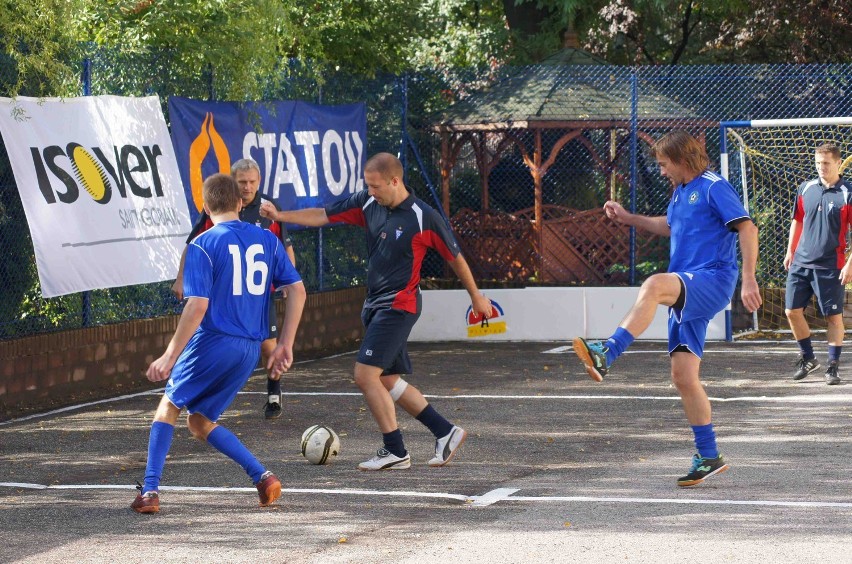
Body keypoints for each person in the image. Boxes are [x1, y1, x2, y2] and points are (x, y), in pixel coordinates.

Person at [259, 152, 492, 471]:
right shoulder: (368, 203)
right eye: (367, 185)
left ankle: (394, 449)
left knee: (365, 375)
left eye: (375, 186)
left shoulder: (423, 217)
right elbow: (323, 215)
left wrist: (476, 297)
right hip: (375, 303)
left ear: (395, 181)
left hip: (399, 305)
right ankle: (445, 431)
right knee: (387, 379)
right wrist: (280, 215)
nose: (370, 191)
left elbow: (455, 258)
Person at [572, 130, 762, 487]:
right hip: (689, 286)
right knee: (684, 377)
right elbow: (667, 225)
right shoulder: (680, 194)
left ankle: (608, 352)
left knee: (654, 285)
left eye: (663, 164)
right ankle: (708, 455)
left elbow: (747, 228)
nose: (660, 171)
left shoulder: (712, 186)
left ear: (681, 159)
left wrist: (749, 279)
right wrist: (629, 218)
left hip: (713, 278)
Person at [132, 173, 306, 513]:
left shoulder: (203, 243)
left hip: (213, 340)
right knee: (199, 422)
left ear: (206, 207)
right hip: (248, 350)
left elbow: (198, 306)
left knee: (169, 404)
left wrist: (170, 355)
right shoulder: (268, 240)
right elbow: (297, 290)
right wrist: (286, 342)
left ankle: (149, 492)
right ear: (241, 203)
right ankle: (263, 476)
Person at [173, 158, 297, 419]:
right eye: (242, 182)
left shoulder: (269, 210)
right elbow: (193, 243)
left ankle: (274, 392)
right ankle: (209, 394)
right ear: (233, 184)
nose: (247, 187)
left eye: (252, 182)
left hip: (258, 293)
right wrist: (180, 277)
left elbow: (285, 247)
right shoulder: (218, 209)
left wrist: (288, 281)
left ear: (259, 182)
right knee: (216, 338)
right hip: (226, 292)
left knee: (268, 345)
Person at [784, 143, 852, 385]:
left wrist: (850, 264)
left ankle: (832, 367)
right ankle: (809, 358)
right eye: (817, 163)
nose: (821, 168)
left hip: (831, 265)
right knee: (791, 311)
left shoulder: (847, 192)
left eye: (825, 163)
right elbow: (798, 220)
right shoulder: (806, 188)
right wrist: (790, 250)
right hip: (801, 262)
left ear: (837, 163)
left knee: (833, 317)